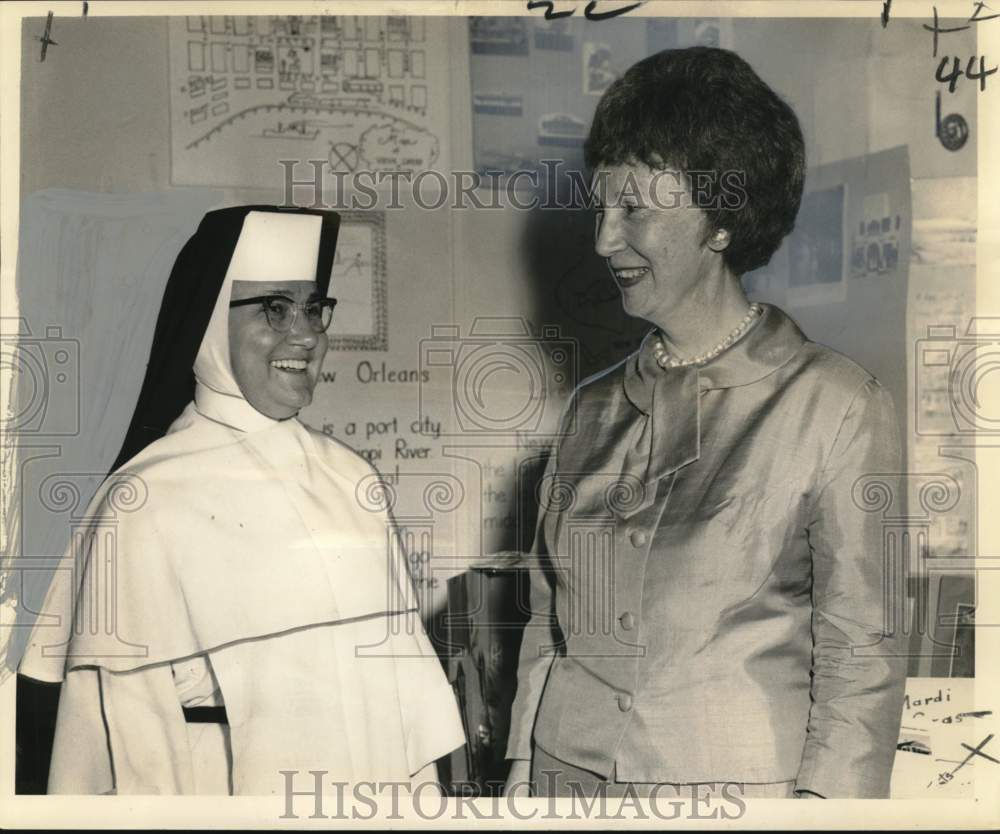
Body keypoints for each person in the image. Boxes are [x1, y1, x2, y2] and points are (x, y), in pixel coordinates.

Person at [505, 47, 907, 799]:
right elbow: (546, 622)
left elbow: (862, 659)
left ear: (721, 219)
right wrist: (524, 775)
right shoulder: (591, 408)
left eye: (634, 210)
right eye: (600, 208)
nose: (602, 240)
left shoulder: (838, 405)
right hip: (567, 788)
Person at [18, 206, 465, 795]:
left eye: (313, 308)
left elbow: (405, 712)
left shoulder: (352, 480)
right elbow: (129, 744)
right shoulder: (142, 501)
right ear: (209, 325)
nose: (305, 334)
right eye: (275, 309)